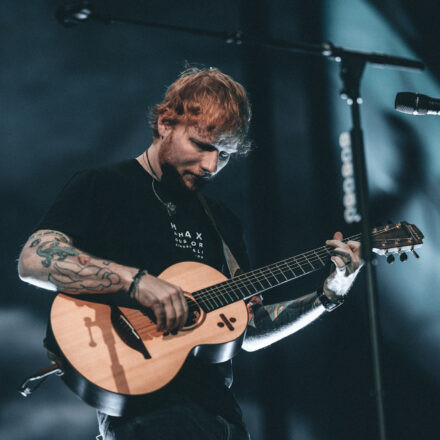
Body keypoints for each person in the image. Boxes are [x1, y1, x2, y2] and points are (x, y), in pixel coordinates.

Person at [18, 67, 362, 439]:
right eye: (202, 145)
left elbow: (247, 326)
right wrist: (137, 283)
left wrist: (329, 295)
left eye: (225, 155)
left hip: (224, 419)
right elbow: (35, 258)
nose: (211, 166)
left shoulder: (222, 221)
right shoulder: (103, 186)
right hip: (147, 414)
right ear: (166, 122)